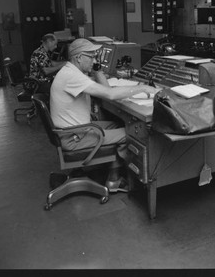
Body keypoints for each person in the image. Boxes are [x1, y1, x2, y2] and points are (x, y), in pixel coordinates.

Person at [50, 38, 157, 193]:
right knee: (130, 134)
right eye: (91, 57)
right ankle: (114, 180)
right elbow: (110, 94)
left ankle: (113, 171)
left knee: (117, 125)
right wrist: (142, 89)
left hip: (73, 131)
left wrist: (96, 69)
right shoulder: (71, 76)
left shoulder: (71, 71)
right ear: (79, 57)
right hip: (75, 138)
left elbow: (105, 88)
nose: (94, 60)